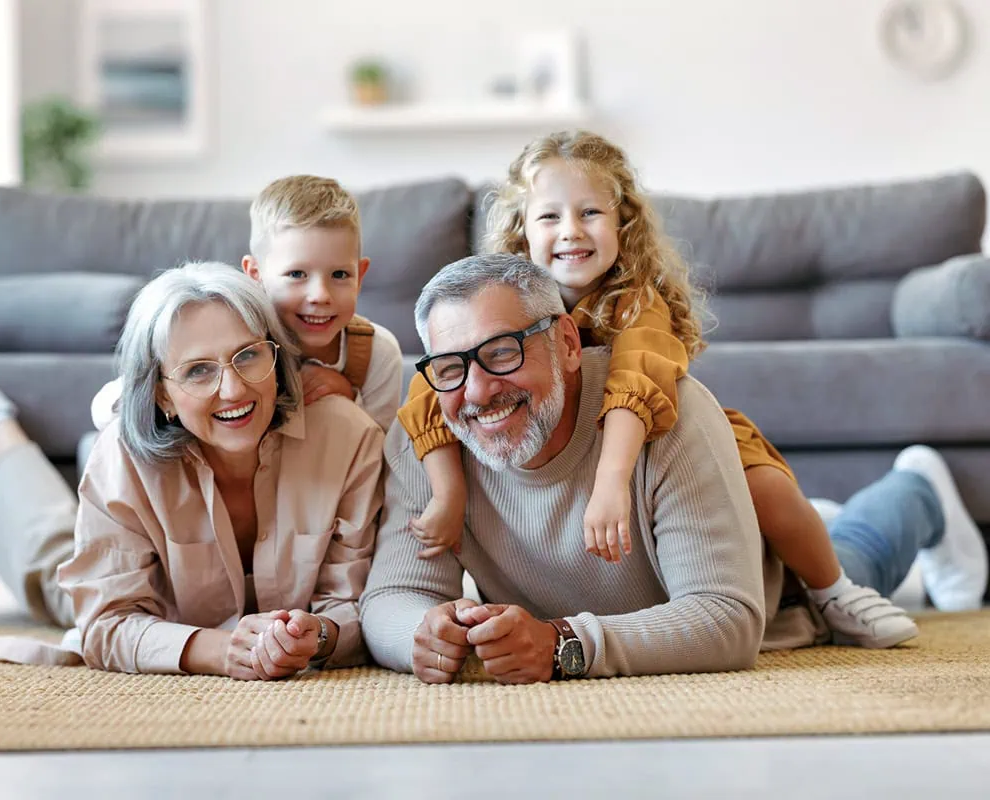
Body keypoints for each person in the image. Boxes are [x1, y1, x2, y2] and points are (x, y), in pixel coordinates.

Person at [359, 254, 986, 684]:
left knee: (858, 552)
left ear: (569, 345)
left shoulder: (665, 411)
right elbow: (390, 597)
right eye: (449, 367)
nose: (477, 391)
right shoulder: (429, 438)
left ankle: (920, 489)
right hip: (672, 555)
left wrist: (563, 645)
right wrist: (422, 631)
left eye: (502, 352)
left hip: (789, 598)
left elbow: (729, 617)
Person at [395, 130, 915, 648]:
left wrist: (612, 481)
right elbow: (431, 397)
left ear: (624, 224)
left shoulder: (636, 302)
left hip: (660, 441)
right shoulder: (496, 309)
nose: (571, 231)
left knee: (773, 496)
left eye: (590, 214)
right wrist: (449, 494)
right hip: (601, 461)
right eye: (550, 217)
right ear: (521, 232)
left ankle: (840, 581)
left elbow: (633, 386)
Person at [0, 262, 385, 677]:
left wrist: (318, 635)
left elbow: (356, 606)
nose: (232, 390)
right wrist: (221, 650)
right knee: (54, 575)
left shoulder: (347, 439)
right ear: (162, 394)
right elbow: (105, 623)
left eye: (248, 356)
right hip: (136, 491)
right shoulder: (122, 454)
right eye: (198, 371)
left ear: (277, 358)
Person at [92, 175, 403, 434]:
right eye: (297, 274)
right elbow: (105, 409)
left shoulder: (376, 352)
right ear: (255, 274)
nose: (320, 294)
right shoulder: (234, 339)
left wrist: (350, 398)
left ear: (360, 276)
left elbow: (384, 459)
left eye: (339, 274)